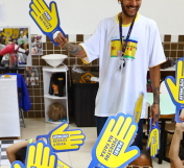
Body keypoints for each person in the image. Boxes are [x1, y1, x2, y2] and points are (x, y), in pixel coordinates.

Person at [54, 0, 166, 150]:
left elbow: (154, 66)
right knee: (105, 160)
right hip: (106, 106)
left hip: (133, 108)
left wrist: (156, 102)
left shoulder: (149, 26)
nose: (133, 3)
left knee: (132, 160)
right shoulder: (106, 25)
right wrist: (65, 45)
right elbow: (84, 52)